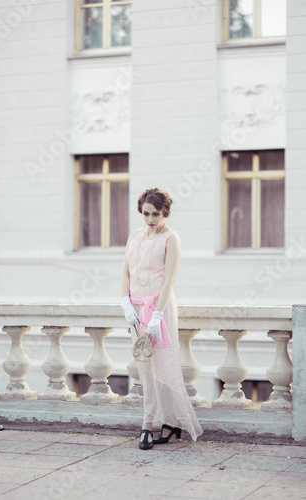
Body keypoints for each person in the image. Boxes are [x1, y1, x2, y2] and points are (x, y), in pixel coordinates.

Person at [121, 187, 203, 450]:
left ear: (165, 212)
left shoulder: (171, 239)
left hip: (159, 310)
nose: (150, 219)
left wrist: (157, 316)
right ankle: (168, 422)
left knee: (163, 369)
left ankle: (148, 426)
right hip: (136, 310)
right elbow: (125, 272)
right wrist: (125, 303)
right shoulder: (135, 235)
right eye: (146, 214)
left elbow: (169, 280)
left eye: (155, 214)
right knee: (144, 369)